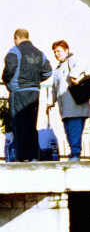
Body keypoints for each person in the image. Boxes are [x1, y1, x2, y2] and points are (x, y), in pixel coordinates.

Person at [2, 29, 53, 161]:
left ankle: (23, 157)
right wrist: (35, 81)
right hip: (34, 92)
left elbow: (8, 71)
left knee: (19, 125)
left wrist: (7, 81)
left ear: (16, 38)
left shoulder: (15, 51)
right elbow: (48, 72)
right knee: (31, 125)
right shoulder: (39, 53)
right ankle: (34, 156)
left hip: (18, 92)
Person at [47, 40, 90, 162]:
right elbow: (55, 88)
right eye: (54, 52)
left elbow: (84, 63)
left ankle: (75, 154)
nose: (56, 54)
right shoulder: (58, 68)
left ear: (66, 50)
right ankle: (74, 153)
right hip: (66, 107)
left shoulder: (72, 60)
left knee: (74, 130)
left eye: (59, 51)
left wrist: (73, 75)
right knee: (70, 131)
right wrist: (50, 101)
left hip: (75, 105)